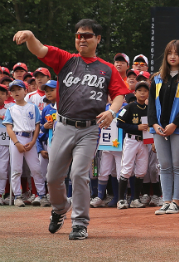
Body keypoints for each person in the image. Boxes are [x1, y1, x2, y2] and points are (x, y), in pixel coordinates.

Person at [12, 19, 129, 240]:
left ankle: (80, 223)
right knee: (53, 177)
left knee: (79, 174)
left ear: (98, 39)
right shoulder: (66, 60)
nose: (82, 38)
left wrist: (112, 112)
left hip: (89, 130)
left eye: (87, 35)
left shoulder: (107, 68)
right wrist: (29, 35)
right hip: (64, 126)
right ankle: (59, 208)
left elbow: (119, 95)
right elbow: (40, 49)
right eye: (79, 35)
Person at [148, 40, 179, 215]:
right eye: (170, 53)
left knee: (178, 164)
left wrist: (174, 124)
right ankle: (166, 200)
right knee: (164, 165)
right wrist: (154, 123)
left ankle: (176, 201)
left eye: (176, 53)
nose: (173, 56)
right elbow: (151, 105)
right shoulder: (157, 78)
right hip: (159, 128)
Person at [2, 80, 47, 207]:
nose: (16, 92)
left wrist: (33, 141)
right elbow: (9, 128)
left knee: (36, 168)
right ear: (11, 93)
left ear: (25, 91)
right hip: (17, 139)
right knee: (16, 169)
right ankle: (17, 196)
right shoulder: (10, 108)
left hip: (30, 139)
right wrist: (17, 143)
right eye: (13, 90)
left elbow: (37, 125)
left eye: (19, 89)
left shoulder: (32, 107)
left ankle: (41, 195)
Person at [116, 81, 151, 209]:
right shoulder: (129, 107)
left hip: (144, 142)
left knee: (141, 171)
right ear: (135, 93)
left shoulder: (148, 109)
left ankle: (135, 199)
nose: (142, 93)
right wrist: (136, 127)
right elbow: (119, 123)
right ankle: (121, 199)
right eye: (140, 90)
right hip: (131, 140)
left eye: (145, 91)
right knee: (126, 169)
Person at [36, 80, 58, 207]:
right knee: (44, 172)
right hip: (47, 143)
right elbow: (40, 131)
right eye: (46, 91)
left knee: (58, 172)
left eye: (51, 90)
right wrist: (44, 127)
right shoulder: (46, 109)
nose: (48, 93)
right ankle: (45, 195)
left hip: (61, 143)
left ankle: (61, 196)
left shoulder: (65, 107)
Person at [0, 84, 12, 205]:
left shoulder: (9, 108)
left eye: (2, 93)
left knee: (3, 170)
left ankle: (0, 194)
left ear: (6, 95)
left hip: (4, 141)